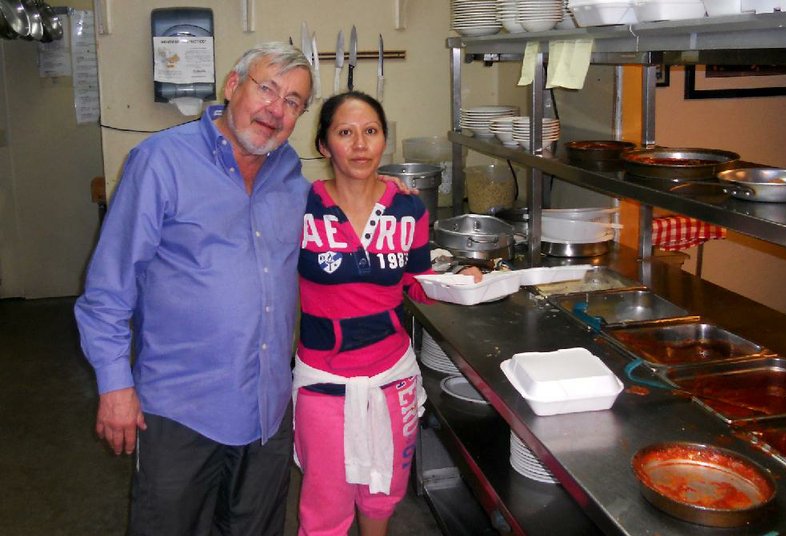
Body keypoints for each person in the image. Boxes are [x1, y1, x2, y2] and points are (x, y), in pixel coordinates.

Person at [74, 42, 315, 535]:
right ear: (232, 85)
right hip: (182, 413)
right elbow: (108, 289)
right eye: (266, 88)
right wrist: (115, 384)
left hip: (267, 414)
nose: (275, 109)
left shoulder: (293, 176)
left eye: (293, 102)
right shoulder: (160, 162)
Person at [292, 91, 481, 536]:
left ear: (384, 140)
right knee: (324, 507)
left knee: (382, 498)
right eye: (345, 132)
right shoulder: (300, 208)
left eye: (370, 132)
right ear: (324, 145)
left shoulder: (408, 208)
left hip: (392, 376)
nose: (360, 144)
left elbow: (417, 283)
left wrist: (458, 281)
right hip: (323, 381)